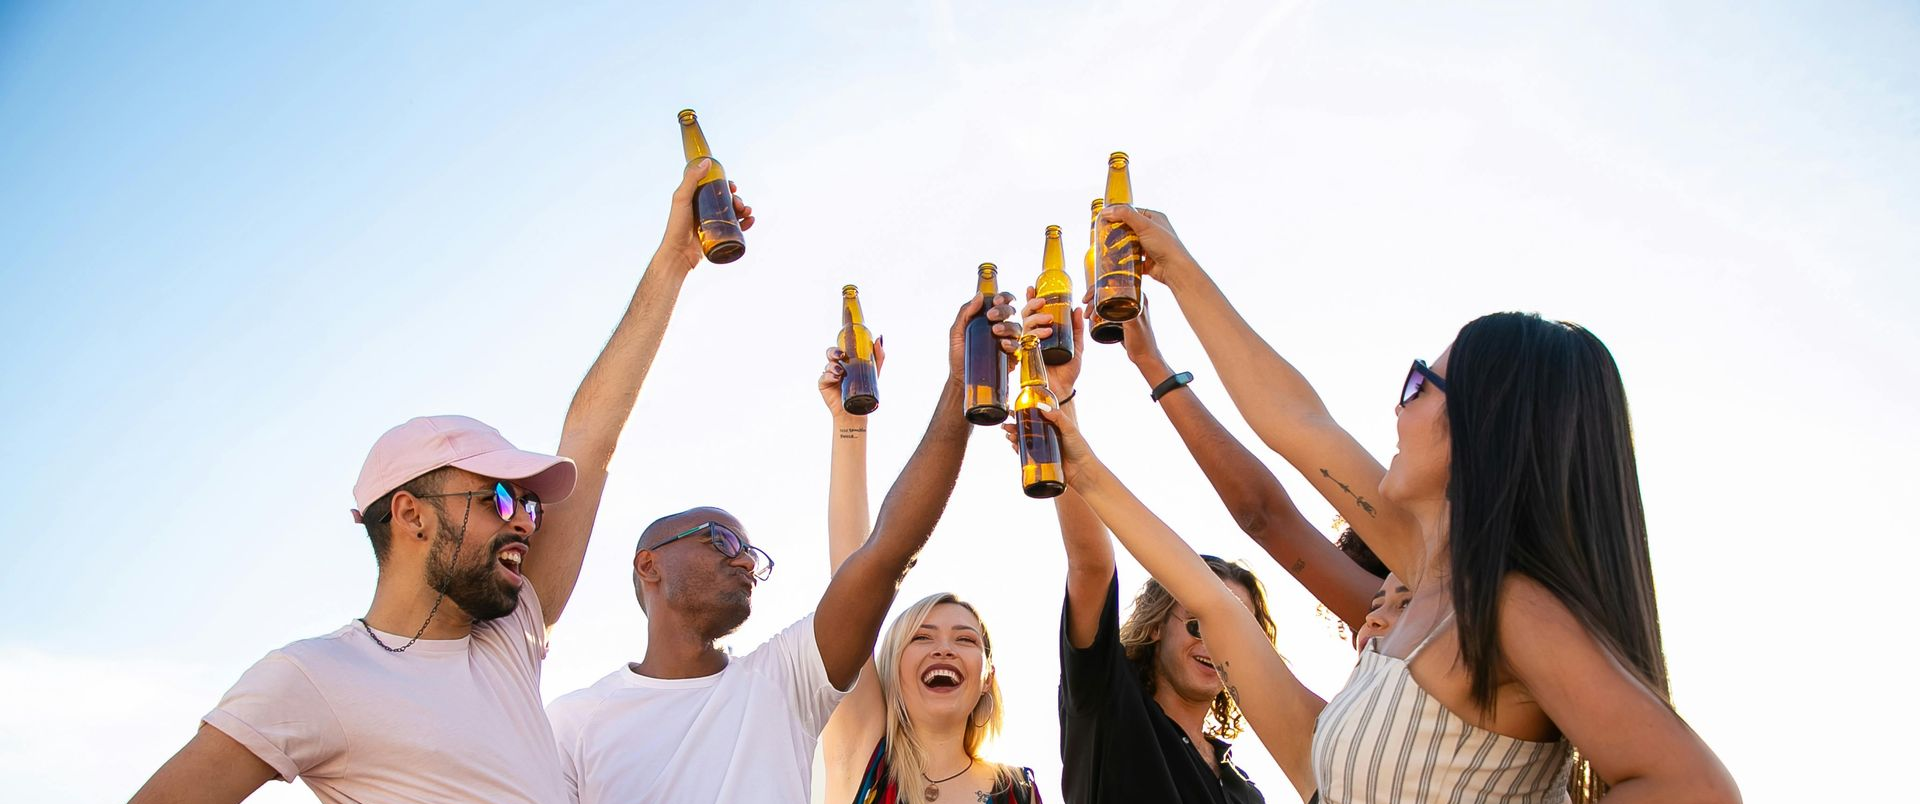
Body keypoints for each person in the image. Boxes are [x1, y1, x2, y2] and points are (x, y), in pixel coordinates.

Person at [1039, 203, 1740, 804]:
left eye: (1418, 385)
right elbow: (1295, 428)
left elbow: (1696, 791)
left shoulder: (1507, 609)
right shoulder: (1433, 582)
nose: (1396, 408)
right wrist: (1176, 272)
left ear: (1482, 430)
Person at [127, 158, 747, 804]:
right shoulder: (313, 678)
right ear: (411, 514)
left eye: (531, 504)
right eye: (498, 497)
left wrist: (675, 259)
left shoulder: (510, 637)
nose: (525, 520)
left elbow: (591, 440)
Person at [544, 293, 1035, 803]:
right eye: (722, 539)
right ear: (650, 563)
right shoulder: (574, 723)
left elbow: (887, 551)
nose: (744, 559)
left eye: (753, 555)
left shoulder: (784, 683)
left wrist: (961, 386)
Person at [1020, 305, 1275, 804]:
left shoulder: (1246, 791)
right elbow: (1092, 566)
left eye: (1240, 627)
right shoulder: (1108, 704)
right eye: (1199, 622)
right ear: (1157, 624)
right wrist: (1056, 396)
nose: (1218, 640)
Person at [814, 341, 1042, 804]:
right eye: (922, 637)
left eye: (965, 639)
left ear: (987, 678)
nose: (944, 649)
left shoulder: (1016, 789)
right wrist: (849, 423)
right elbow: (852, 577)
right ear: (891, 670)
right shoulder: (865, 759)